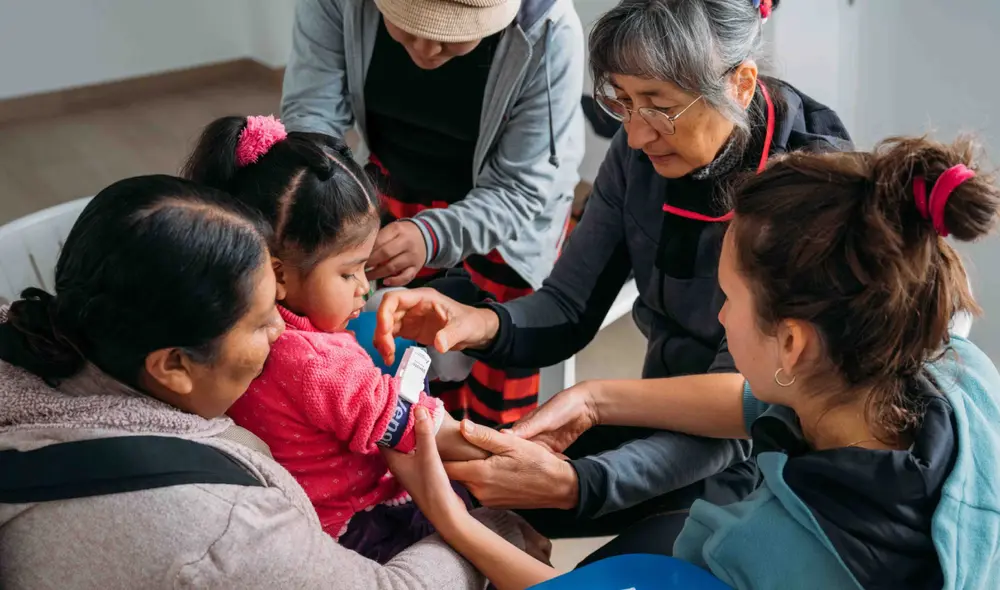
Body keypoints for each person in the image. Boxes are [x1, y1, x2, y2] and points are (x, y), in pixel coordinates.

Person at [384, 135, 1000, 589]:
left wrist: (454, 523)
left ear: (791, 343)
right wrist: (595, 398)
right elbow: (753, 399)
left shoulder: (778, 554)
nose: (721, 317)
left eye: (728, 299)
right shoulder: (956, 371)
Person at [374, 0, 852, 537]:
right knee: (457, 497)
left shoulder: (807, 190)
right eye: (622, 101)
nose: (635, 135)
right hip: (659, 415)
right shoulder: (644, 151)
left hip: (768, 469)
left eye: (658, 105)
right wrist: (475, 323)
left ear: (741, 84)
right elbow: (569, 305)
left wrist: (583, 480)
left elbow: (747, 407)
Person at [0, 175, 533, 589]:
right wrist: (485, 529)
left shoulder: (38, 347)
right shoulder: (221, 528)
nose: (282, 329)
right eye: (259, 324)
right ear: (174, 365)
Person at [183, 115, 488, 562]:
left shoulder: (228, 321)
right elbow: (410, 423)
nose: (365, 287)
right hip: (357, 527)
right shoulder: (310, 359)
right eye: (348, 272)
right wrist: (507, 447)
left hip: (304, 514)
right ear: (278, 273)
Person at [280, 0, 585, 427]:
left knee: (491, 397)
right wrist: (326, 198)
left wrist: (430, 237)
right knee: (391, 370)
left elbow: (522, 189)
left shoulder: (548, 31)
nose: (425, 50)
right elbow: (312, 119)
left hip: (506, 223)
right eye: (404, 27)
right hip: (392, 189)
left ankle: (479, 471)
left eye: (449, 37)